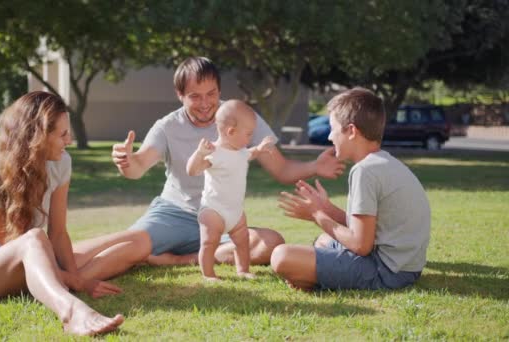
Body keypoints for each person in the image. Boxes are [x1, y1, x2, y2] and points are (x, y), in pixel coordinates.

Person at [112, 56, 345, 266]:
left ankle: (182, 260)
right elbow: (138, 166)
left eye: (211, 94)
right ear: (180, 94)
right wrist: (126, 161)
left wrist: (315, 166)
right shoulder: (167, 126)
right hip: (174, 213)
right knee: (125, 248)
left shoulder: (240, 116)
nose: (205, 103)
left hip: (222, 219)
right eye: (195, 96)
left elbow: (281, 169)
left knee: (271, 243)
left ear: (219, 90)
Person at [0, 91, 150, 336]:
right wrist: (78, 282)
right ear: (37, 136)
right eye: (62, 135)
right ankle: (71, 311)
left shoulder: (61, 163)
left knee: (139, 240)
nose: (69, 140)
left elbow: (58, 234)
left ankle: (51, 285)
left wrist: (71, 276)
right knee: (35, 238)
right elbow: (11, 245)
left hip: (38, 254)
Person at [272, 87, 431, 291]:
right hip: (407, 267)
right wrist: (327, 209)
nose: (330, 136)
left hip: (387, 272)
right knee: (323, 241)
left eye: (333, 128)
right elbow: (366, 228)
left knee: (281, 256)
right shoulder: (383, 163)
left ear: (352, 131)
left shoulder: (364, 171)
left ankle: (314, 279)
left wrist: (317, 215)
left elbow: (360, 245)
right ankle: (315, 277)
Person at [186, 100, 275, 280]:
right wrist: (199, 154)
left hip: (235, 211)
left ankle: (242, 270)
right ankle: (208, 274)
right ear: (231, 132)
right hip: (213, 210)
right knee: (209, 243)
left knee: (242, 242)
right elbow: (192, 170)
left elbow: (251, 153)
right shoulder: (215, 152)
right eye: (248, 134)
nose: (250, 139)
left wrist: (259, 148)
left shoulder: (241, 151)